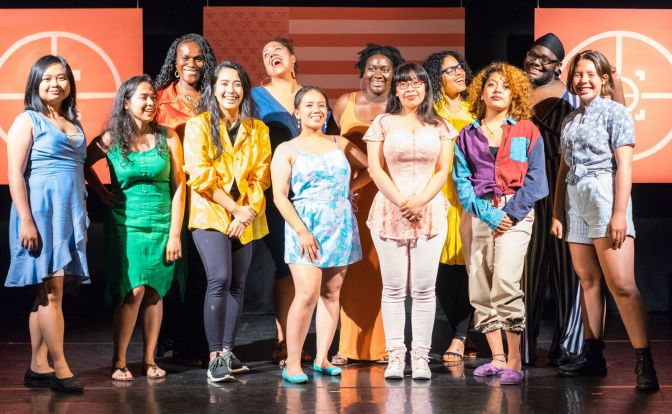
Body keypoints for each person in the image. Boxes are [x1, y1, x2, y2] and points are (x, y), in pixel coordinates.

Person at [552, 50, 659, 391]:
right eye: (577, 74)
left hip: (604, 196)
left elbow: (625, 165)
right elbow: (563, 169)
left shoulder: (616, 112)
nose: (582, 80)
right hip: (575, 200)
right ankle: (592, 355)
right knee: (588, 281)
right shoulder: (570, 119)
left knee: (622, 285)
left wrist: (618, 213)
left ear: (603, 79)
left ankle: (644, 361)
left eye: (589, 74)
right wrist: (557, 212)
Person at [521, 33, 627, 366]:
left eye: (546, 59)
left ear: (558, 66)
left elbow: (618, 123)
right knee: (528, 272)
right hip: (527, 192)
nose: (537, 62)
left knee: (569, 273)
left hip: (565, 191)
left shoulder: (573, 98)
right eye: (533, 55)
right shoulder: (515, 92)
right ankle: (522, 348)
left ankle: (570, 345)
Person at [84, 75, 186, 381]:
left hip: (162, 225)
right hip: (125, 225)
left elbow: (179, 186)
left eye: (153, 97)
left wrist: (175, 233)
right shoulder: (111, 139)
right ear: (126, 103)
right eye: (143, 97)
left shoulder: (168, 137)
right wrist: (101, 193)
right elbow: (83, 163)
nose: (150, 102)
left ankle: (149, 359)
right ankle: (119, 361)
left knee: (155, 292)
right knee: (133, 290)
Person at [453, 62, 548, 385]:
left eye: (505, 86)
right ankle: (496, 357)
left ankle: (514, 360)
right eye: (491, 84)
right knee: (480, 285)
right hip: (480, 212)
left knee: (506, 281)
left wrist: (510, 213)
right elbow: (462, 184)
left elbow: (537, 180)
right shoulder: (467, 135)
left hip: (515, 211)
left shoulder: (526, 130)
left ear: (514, 94)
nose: (497, 90)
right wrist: (490, 215)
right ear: (481, 92)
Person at [271, 86, 370, 383]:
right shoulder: (287, 149)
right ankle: (292, 362)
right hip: (304, 224)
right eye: (309, 105)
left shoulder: (340, 143)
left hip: (340, 223)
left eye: (320, 105)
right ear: (297, 112)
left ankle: (323, 357)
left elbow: (371, 169)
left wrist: (349, 189)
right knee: (306, 294)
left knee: (331, 292)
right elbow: (279, 196)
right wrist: (302, 231)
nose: (316, 110)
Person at [365, 63, 456, 380]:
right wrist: (401, 201)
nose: (410, 88)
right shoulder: (382, 123)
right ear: (395, 89)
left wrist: (420, 201)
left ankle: (420, 357)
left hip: (429, 210)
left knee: (424, 289)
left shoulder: (441, 125)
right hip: (390, 209)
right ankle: (395, 356)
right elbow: (375, 169)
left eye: (417, 83)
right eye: (403, 84)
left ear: (426, 88)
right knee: (392, 289)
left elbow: (443, 170)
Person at [183, 61, 271, 382]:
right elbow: (200, 176)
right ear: (213, 89)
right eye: (224, 84)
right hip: (211, 214)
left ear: (245, 90)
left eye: (237, 84)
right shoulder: (199, 125)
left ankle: (229, 352)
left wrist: (246, 213)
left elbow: (261, 176)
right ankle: (214, 356)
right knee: (219, 278)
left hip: (246, 217)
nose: (231, 90)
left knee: (238, 283)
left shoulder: (257, 129)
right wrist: (235, 209)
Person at [5, 55, 89, 392]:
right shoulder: (27, 120)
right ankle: (60, 367)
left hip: (68, 214)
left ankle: (38, 366)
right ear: (35, 84)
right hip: (40, 214)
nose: (56, 84)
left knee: (46, 292)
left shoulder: (74, 122)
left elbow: (79, 169)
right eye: (47, 78)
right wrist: (26, 220)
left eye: (62, 77)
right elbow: (14, 173)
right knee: (53, 292)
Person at [329, 44, 405, 366]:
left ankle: (384, 346)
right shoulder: (344, 104)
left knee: (383, 272)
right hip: (349, 198)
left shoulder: (401, 106)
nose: (378, 73)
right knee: (349, 269)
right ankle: (346, 345)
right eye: (372, 67)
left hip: (387, 196)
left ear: (394, 74)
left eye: (385, 68)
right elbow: (333, 148)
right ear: (363, 71)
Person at [153, 33, 217, 361]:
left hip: (210, 195)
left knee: (203, 272)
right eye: (185, 58)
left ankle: (200, 341)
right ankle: (168, 338)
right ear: (175, 64)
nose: (192, 63)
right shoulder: (159, 100)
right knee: (173, 267)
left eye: (198, 58)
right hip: (172, 194)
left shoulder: (215, 98)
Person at [251, 37, 311, 365]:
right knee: (285, 262)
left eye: (278, 51)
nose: (271, 56)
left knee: (309, 265)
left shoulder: (311, 96)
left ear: (293, 57)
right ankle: (284, 340)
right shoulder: (254, 98)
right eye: (266, 54)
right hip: (275, 194)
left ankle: (307, 337)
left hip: (312, 194)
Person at [423, 50, 478, 365]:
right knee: (443, 269)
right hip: (440, 195)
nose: (458, 73)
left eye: (460, 67)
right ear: (436, 77)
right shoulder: (430, 111)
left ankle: (460, 335)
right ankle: (459, 331)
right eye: (449, 70)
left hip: (471, 196)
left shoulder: (476, 108)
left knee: (471, 267)